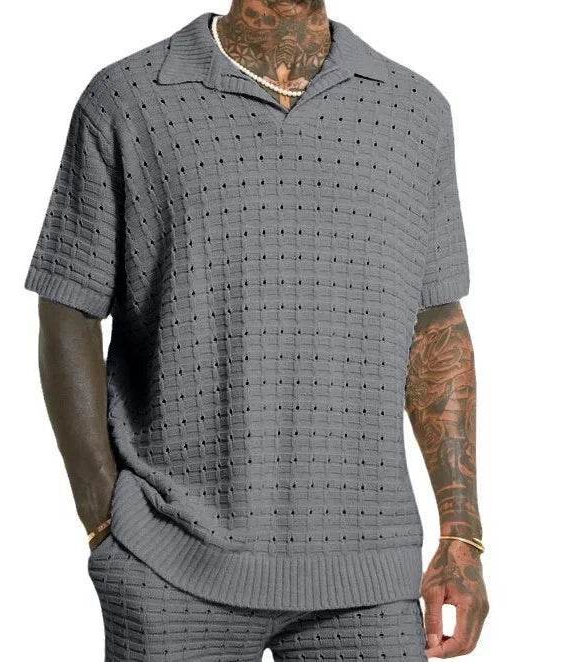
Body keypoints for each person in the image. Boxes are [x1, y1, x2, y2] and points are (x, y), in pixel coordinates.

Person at [24, 2, 488, 659]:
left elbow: (435, 326)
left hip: (370, 575)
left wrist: (461, 536)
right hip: (170, 562)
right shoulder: (128, 97)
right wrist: (104, 521)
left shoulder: (414, 110)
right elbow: (68, 305)